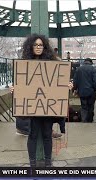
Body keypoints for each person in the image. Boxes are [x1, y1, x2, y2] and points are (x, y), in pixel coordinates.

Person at [11, 34, 72, 167]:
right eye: (35, 45)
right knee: (32, 135)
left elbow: (58, 82)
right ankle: (32, 163)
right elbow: (21, 83)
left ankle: (48, 162)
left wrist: (66, 86)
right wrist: (15, 89)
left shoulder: (53, 63)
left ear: (44, 47)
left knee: (46, 134)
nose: (38, 47)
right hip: (33, 108)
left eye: (40, 45)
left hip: (47, 108)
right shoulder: (24, 63)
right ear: (31, 47)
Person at [73, 58, 96, 123]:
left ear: (84, 62)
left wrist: (75, 89)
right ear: (91, 62)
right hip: (91, 92)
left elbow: (75, 81)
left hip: (82, 92)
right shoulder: (93, 69)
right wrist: (95, 89)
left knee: (84, 107)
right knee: (90, 107)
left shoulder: (79, 69)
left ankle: (84, 121)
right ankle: (90, 121)